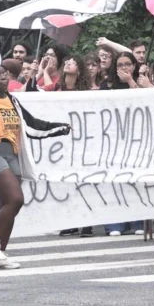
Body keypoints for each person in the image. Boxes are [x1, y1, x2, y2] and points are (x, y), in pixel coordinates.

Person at [0, 55, 71, 268]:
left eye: (5, 74)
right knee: (16, 198)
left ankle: (0, 254)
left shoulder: (12, 100)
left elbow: (32, 124)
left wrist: (59, 127)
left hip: (12, 153)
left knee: (8, 204)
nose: (3, 77)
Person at [55, 57, 93, 238]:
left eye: (73, 62)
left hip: (83, 141)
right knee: (67, 182)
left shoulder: (87, 91)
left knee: (84, 182)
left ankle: (87, 223)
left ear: (79, 70)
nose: (68, 63)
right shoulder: (58, 89)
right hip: (63, 141)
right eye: (67, 61)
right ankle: (71, 221)